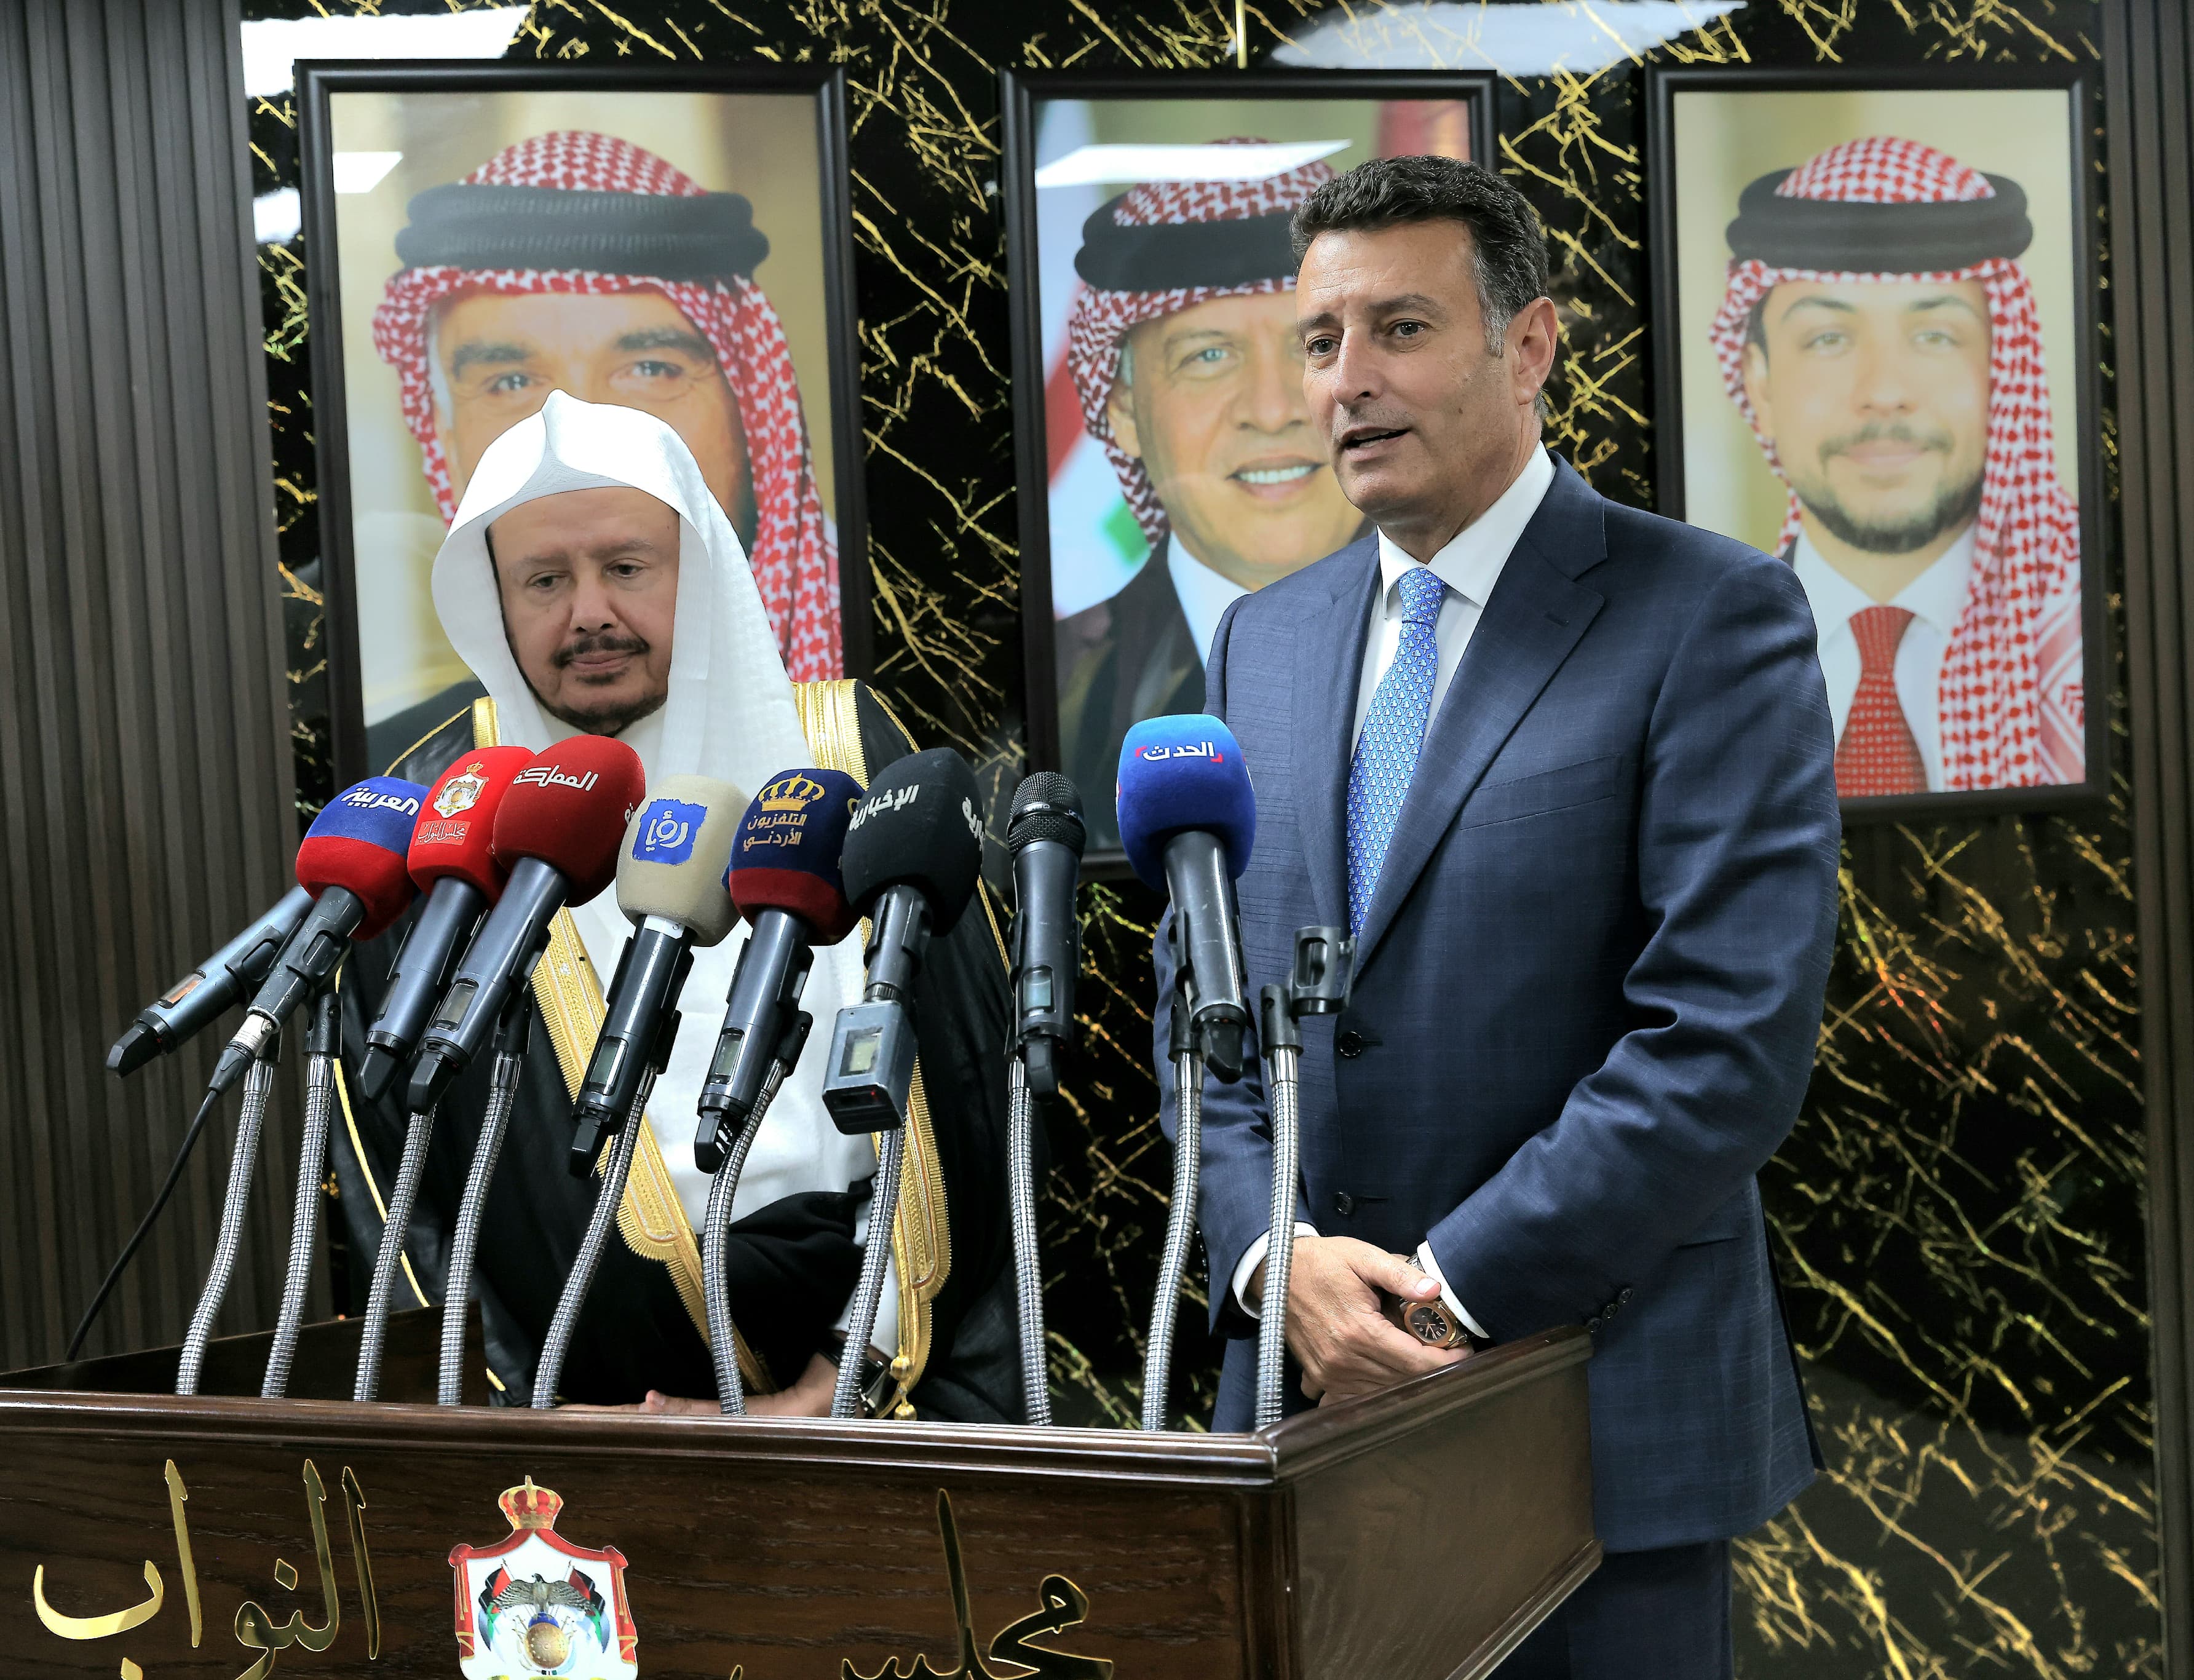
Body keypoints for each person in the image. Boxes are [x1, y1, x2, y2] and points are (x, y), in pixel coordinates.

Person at [1156, 156, 1840, 1678]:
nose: (1344, 380)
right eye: (1320, 340)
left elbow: (1721, 1043)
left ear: (1528, 345)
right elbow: (1201, 1024)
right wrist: (1275, 1262)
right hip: (1297, 1423)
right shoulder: (1261, 642)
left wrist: (1441, 1296)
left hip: (1590, 1433)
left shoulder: (1706, 614)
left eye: (1397, 329)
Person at [330, 393, 1016, 1422]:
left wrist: (844, 1380)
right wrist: (526, 1423)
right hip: (581, 1437)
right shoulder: (444, 821)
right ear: (495, 601)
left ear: (697, 572)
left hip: (879, 1402)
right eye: (544, 580)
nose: (588, 612)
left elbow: (970, 1099)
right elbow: (403, 1203)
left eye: (626, 567)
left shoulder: (849, 758)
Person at [365, 130, 842, 769]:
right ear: (446, 444)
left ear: (751, 415)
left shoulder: (847, 748)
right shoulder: (413, 777)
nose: (581, 427)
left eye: (650, 369)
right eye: (511, 382)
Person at [1710, 136, 2084, 796]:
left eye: (1935, 337)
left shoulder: (2109, 628)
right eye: (1828, 338)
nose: (1883, 391)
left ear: (2003, 371)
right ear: (1760, 386)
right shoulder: (1685, 654)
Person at [1056, 149, 1367, 846]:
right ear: (1123, 410)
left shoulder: (1478, 642)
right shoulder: (1051, 687)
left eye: (1313, 348)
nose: (1272, 409)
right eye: (1208, 355)